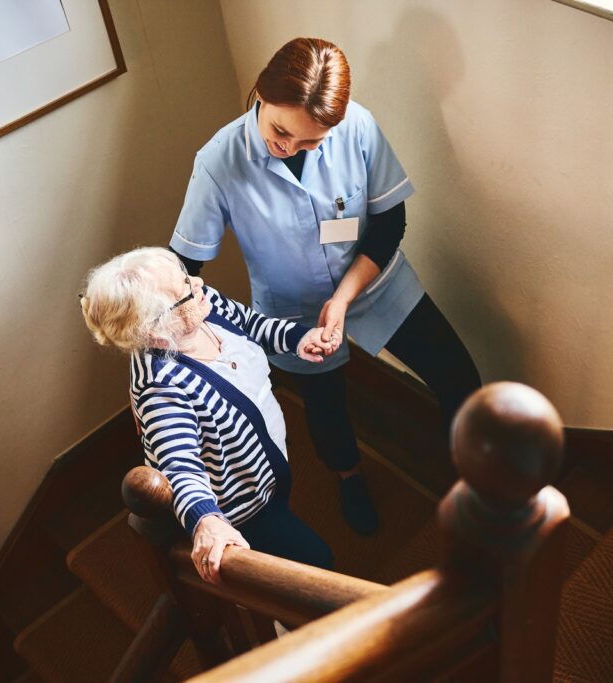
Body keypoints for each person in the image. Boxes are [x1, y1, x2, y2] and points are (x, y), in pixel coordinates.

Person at [169, 37, 482, 536]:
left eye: (310, 142)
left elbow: (388, 225)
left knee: (460, 377)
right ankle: (348, 477)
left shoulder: (357, 126)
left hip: (373, 280)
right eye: (280, 131)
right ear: (261, 92)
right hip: (291, 307)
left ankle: (471, 487)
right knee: (326, 407)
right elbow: (185, 265)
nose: (288, 147)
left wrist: (342, 299)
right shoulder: (218, 163)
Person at [79, 246, 337, 583]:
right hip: (244, 507)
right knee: (318, 565)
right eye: (185, 289)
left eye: (187, 277)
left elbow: (249, 324)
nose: (199, 284)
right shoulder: (162, 391)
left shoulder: (200, 307)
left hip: (267, 472)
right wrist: (206, 520)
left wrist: (297, 338)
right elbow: (180, 466)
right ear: (154, 330)